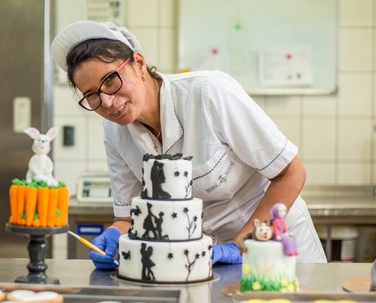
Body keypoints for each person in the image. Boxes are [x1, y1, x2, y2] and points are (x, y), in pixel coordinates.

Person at [51, 20, 327, 269]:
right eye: (92, 96)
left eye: (110, 80)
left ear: (138, 63)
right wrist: (115, 235)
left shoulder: (208, 92)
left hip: (274, 246)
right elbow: (128, 217)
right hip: (204, 258)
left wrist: (242, 243)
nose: (107, 102)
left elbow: (290, 172)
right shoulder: (115, 131)